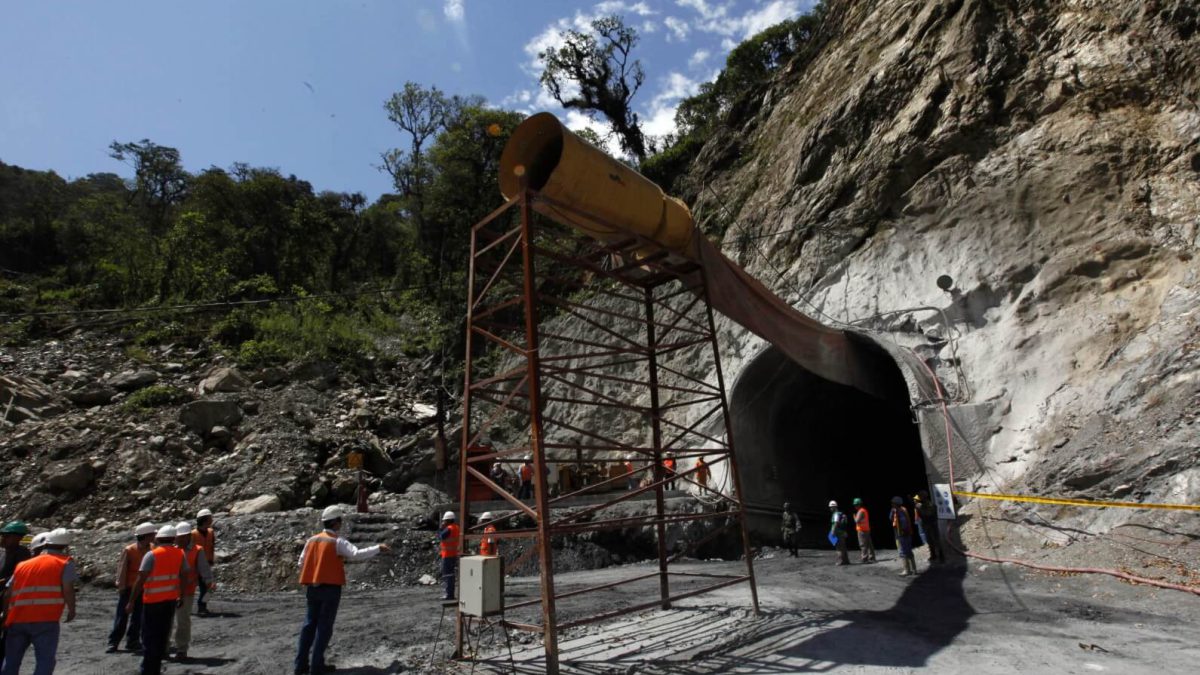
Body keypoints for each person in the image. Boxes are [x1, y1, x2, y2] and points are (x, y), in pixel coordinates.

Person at [295, 505, 389, 675]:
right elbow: (356, 554)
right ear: (336, 522)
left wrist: (316, 571)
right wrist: (378, 548)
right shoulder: (337, 541)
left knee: (309, 625)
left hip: (312, 588)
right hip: (330, 589)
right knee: (324, 627)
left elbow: (301, 563)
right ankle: (317, 667)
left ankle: (300, 666)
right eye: (340, 521)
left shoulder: (311, 540)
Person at [1, 528, 76, 675]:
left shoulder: (23, 565)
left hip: (17, 619)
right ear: (65, 546)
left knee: (11, 661)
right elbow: (68, 589)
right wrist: (72, 609)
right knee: (45, 661)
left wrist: (5, 616)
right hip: (45, 620)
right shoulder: (65, 562)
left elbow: (7, 594)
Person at [128, 525, 188, 675]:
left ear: (158, 539)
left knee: (149, 639)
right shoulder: (180, 554)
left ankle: (148, 671)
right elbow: (184, 575)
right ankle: (154, 668)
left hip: (152, 602)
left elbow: (140, 579)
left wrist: (131, 601)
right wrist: (181, 594)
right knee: (162, 636)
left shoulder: (152, 555)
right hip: (170, 601)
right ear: (173, 538)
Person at [107, 522, 156, 653]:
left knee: (138, 617)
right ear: (146, 536)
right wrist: (121, 587)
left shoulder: (152, 549)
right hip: (129, 588)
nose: (154, 536)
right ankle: (114, 642)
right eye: (152, 534)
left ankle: (132, 641)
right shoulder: (130, 550)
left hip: (143, 588)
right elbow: (122, 570)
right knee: (122, 617)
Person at [170, 522, 211, 661]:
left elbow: (204, 568)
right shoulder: (173, 549)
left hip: (187, 591)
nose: (178, 539)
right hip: (169, 591)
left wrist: (209, 581)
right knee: (167, 621)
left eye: (181, 537)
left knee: (183, 621)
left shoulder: (197, 550)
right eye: (177, 537)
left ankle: (182, 649)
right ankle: (164, 648)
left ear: (188, 536)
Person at [0, 521, 32, 668]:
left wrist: (4, 581)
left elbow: (18, 577)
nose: (3, 539)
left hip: (10, 599)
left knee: (7, 636)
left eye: (6, 536)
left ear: (17, 537)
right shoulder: (3, 552)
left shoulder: (23, 554)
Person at [191, 509, 216, 616]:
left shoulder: (211, 532)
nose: (212, 520)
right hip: (194, 566)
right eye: (210, 518)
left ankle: (202, 606)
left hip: (206, 565)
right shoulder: (193, 534)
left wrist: (211, 559)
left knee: (209, 587)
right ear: (204, 520)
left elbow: (211, 547)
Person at [913, 491, 944, 564]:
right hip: (927, 525)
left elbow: (928, 514)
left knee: (936, 541)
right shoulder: (922, 505)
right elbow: (921, 515)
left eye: (920, 497)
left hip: (932, 525)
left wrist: (919, 507)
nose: (919, 498)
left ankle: (941, 556)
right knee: (930, 541)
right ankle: (933, 555)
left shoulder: (930, 504)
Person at [890, 496, 917, 577]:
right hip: (906, 533)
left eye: (893, 503)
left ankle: (907, 570)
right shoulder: (901, 510)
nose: (892, 505)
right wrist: (892, 512)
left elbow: (903, 522)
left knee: (903, 552)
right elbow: (890, 518)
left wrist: (902, 532)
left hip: (902, 534)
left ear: (896, 504)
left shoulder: (900, 512)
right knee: (908, 551)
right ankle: (914, 569)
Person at [437, 512, 460, 602]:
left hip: (447, 555)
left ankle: (449, 594)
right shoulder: (456, 527)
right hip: (453, 554)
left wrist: (440, 529)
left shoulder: (449, 529)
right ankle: (450, 593)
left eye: (445, 521)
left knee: (447, 574)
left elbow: (441, 536)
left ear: (448, 520)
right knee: (451, 574)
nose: (444, 522)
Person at [853, 498, 876, 563]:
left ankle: (864, 558)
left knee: (863, 545)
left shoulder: (860, 511)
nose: (855, 506)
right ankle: (872, 557)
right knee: (869, 544)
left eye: (856, 505)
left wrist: (854, 517)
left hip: (862, 530)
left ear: (859, 505)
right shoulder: (864, 510)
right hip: (866, 529)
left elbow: (857, 521)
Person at [828, 500, 850, 566]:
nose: (830, 508)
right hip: (842, 532)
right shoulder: (840, 513)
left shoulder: (836, 514)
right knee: (843, 547)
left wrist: (833, 532)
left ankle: (841, 561)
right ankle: (846, 561)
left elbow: (835, 523)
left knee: (839, 548)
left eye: (831, 507)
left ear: (834, 507)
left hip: (838, 533)